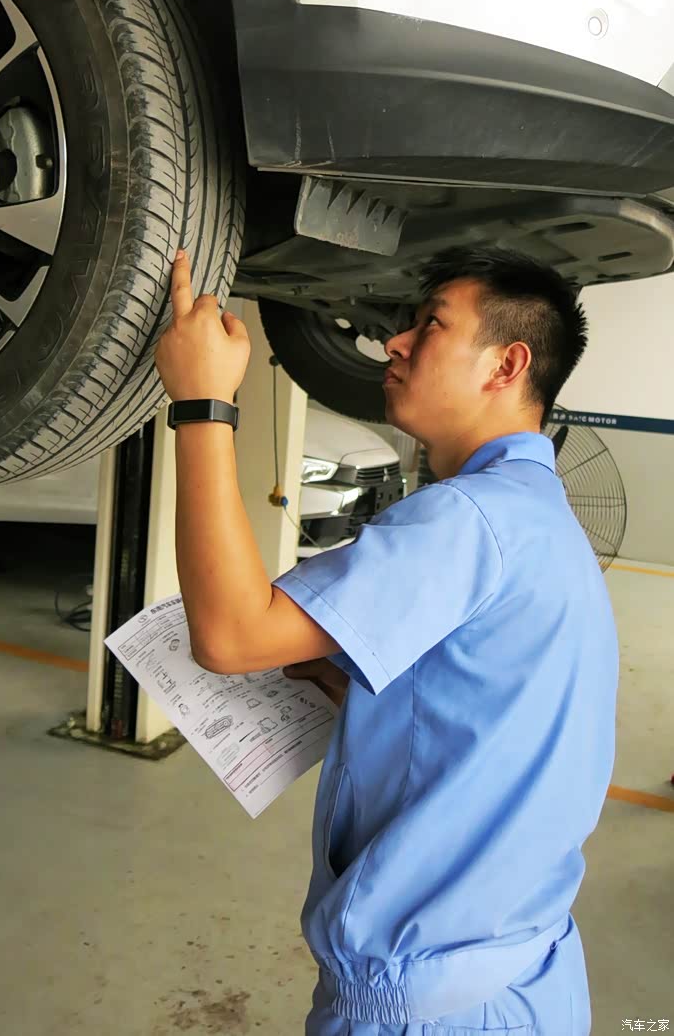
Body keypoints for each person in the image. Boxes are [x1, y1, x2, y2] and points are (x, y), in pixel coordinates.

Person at [154, 244, 618, 1036]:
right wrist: (368, 696)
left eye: (431, 325)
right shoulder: (539, 520)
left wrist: (203, 400)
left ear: (506, 365)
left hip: (431, 1011)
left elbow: (230, 636)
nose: (393, 342)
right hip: (520, 983)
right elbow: (485, 713)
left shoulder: (470, 517)